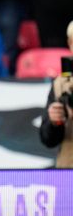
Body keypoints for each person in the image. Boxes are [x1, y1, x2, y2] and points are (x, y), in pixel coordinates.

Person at [39, 20, 73, 168]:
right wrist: (54, 122)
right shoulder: (61, 83)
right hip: (68, 170)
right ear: (70, 44)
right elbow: (48, 139)